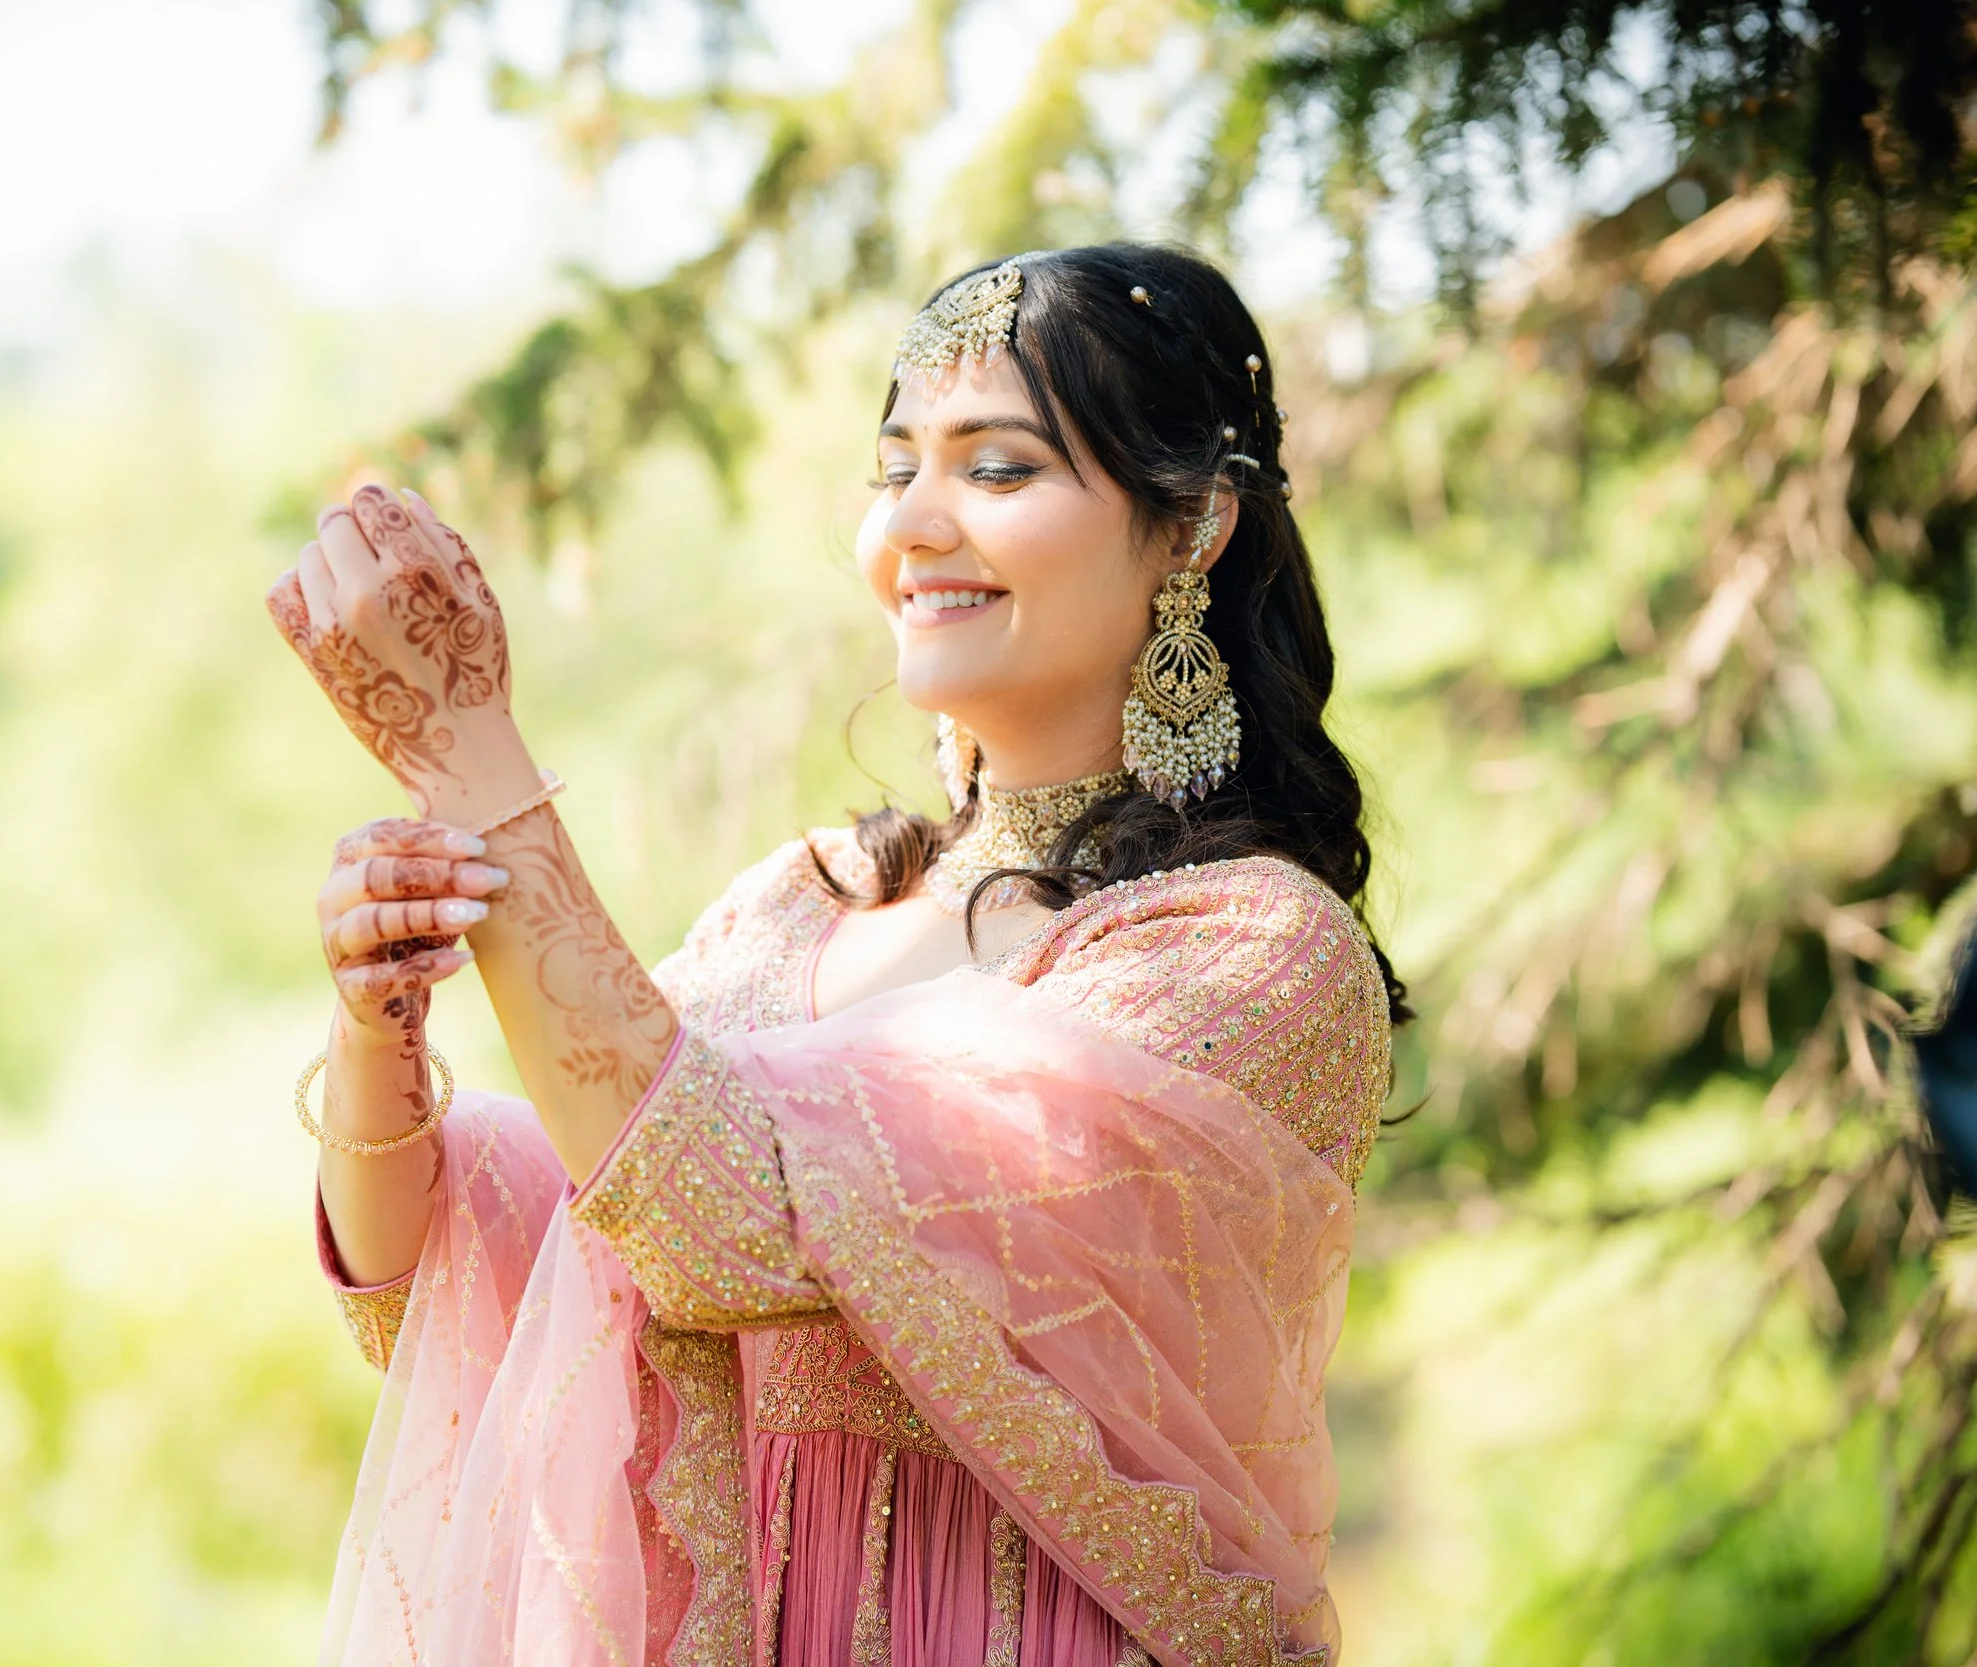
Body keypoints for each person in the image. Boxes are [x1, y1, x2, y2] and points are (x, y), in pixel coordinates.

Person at [268, 244, 1409, 1667]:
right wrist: (379, 1020)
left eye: (997, 469)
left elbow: (713, 1211)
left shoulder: (1243, 953)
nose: (914, 525)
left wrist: (473, 752)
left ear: (1192, 530)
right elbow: (458, 1276)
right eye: (894, 468)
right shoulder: (797, 907)